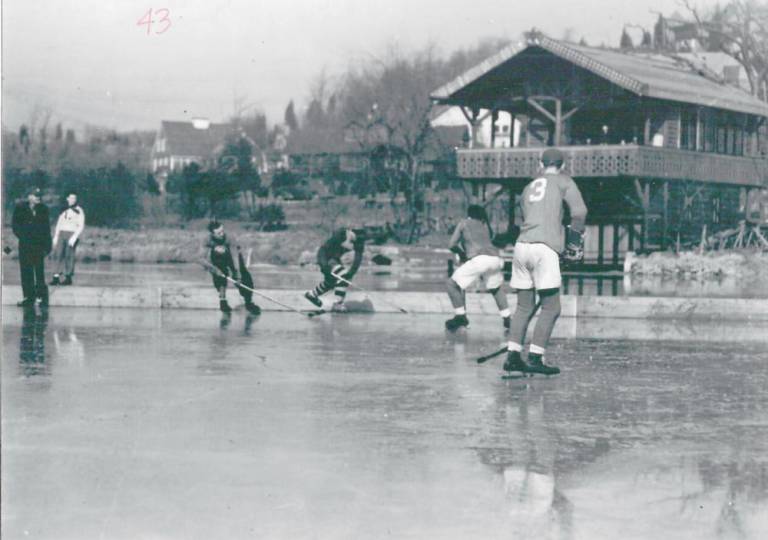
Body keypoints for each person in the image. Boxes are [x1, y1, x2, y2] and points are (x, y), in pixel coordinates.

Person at [504, 148, 587, 376]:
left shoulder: (528, 186)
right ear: (562, 165)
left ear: (540, 163)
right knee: (552, 307)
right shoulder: (564, 181)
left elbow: (527, 216)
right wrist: (573, 245)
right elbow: (579, 213)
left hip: (522, 246)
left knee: (523, 306)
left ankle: (513, 356)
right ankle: (535, 357)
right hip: (544, 247)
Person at [444, 204, 511, 331]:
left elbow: (452, 244)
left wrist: (461, 253)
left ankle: (460, 316)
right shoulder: (484, 225)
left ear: (468, 214)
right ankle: (507, 319)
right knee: (496, 289)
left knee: (451, 284)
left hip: (479, 259)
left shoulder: (463, 223)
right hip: (496, 259)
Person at [304, 227, 364, 312]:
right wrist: (324, 265)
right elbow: (323, 250)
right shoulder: (341, 234)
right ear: (350, 231)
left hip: (335, 259)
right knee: (343, 275)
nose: (357, 240)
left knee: (332, 281)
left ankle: (312, 295)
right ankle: (338, 303)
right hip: (326, 258)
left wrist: (351, 272)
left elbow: (358, 259)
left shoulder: (359, 240)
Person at [206, 220, 260, 315]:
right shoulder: (207, 240)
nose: (222, 234)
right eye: (219, 233)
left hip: (232, 256)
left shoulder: (229, 238)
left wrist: (237, 274)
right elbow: (200, 259)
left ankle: (249, 302)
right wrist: (213, 269)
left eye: (222, 231)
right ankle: (223, 301)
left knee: (244, 276)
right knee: (219, 275)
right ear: (212, 234)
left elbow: (235, 257)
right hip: (218, 259)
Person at [12, 187, 52, 307]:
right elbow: (15, 226)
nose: (38, 198)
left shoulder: (44, 209)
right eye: (35, 196)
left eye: (39, 196)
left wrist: (48, 246)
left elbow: (46, 229)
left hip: (39, 245)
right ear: (29, 196)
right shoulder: (20, 208)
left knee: (39, 271)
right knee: (26, 271)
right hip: (25, 244)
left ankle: (40, 297)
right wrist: (24, 236)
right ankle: (28, 298)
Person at [50, 191, 85, 286]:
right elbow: (59, 224)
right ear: (67, 199)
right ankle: (56, 276)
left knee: (69, 255)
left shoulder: (79, 211)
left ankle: (68, 277)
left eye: (74, 198)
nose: (73, 200)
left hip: (71, 234)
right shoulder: (63, 210)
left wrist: (74, 237)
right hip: (62, 233)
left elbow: (81, 225)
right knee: (58, 254)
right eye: (71, 198)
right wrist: (56, 236)